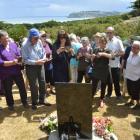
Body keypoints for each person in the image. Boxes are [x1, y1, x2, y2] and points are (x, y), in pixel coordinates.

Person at [22, 28, 51, 110]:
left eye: (38, 37)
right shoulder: (24, 45)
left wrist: (44, 58)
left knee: (42, 82)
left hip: (40, 65)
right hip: (31, 67)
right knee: (34, 85)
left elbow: (43, 51)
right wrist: (36, 62)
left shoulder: (39, 41)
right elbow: (25, 60)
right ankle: (34, 102)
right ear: (30, 37)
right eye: (35, 38)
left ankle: (42, 99)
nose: (37, 39)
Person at [0, 30, 29, 111]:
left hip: (16, 71)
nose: (7, 40)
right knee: (8, 89)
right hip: (6, 73)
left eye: (7, 38)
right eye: (4, 39)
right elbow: (1, 63)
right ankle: (10, 104)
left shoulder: (13, 45)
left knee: (22, 87)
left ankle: (25, 102)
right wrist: (13, 62)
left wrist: (20, 60)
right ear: (0, 40)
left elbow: (18, 54)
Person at [91, 36, 113, 107]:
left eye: (103, 42)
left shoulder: (108, 50)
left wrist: (103, 54)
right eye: (100, 42)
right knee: (94, 86)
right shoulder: (95, 49)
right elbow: (92, 60)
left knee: (103, 86)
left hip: (104, 71)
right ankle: (90, 98)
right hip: (96, 70)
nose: (102, 44)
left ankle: (101, 99)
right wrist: (92, 57)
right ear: (99, 42)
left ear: (106, 43)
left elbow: (112, 57)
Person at [106, 27, 124, 99]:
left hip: (116, 65)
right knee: (109, 81)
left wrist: (115, 55)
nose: (109, 34)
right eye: (107, 32)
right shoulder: (106, 41)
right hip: (107, 64)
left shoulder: (118, 41)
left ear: (113, 33)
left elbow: (123, 52)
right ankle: (109, 94)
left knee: (116, 81)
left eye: (110, 32)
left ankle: (118, 95)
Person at [125, 41, 140, 110]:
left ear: (138, 48)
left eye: (134, 48)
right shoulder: (131, 53)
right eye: (132, 47)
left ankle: (138, 103)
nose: (132, 49)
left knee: (135, 91)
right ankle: (131, 101)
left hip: (136, 77)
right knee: (130, 90)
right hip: (129, 76)